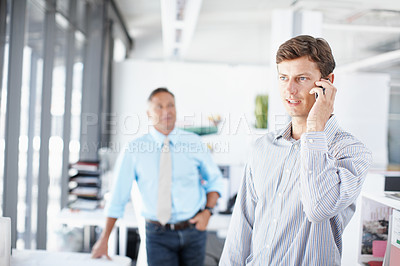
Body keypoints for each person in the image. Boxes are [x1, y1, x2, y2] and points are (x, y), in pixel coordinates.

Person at [219, 35, 372, 265]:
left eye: (301, 78)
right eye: (283, 78)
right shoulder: (262, 148)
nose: (289, 89)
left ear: (326, 82)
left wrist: (314, 130)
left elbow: (319, 208)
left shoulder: (351, 152)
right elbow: (241, 229)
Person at [91, 88, 224, 266]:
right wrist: (104, 239)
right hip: (157, 235)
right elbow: (117, 198)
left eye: (170, 105)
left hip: (194, 231)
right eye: (159, 107)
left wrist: (208, 212)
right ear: (148, 113)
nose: (166, 111)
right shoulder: (134, 150)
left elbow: (215, 180)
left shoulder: (194, 143)